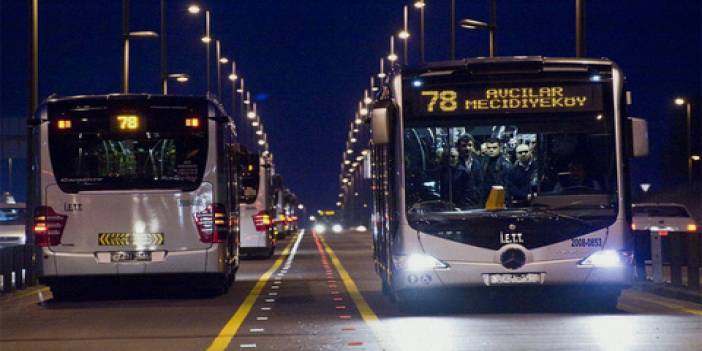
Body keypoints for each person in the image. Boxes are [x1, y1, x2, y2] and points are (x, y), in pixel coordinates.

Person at [446, 134, 483, 208]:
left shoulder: (478, 162)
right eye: (464, 146)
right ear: (459, 147)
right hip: (458, 204)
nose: (467, 148)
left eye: (470, 145)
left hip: (475, 203)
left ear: (473, 146)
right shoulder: (455, 162)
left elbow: (480, 183)